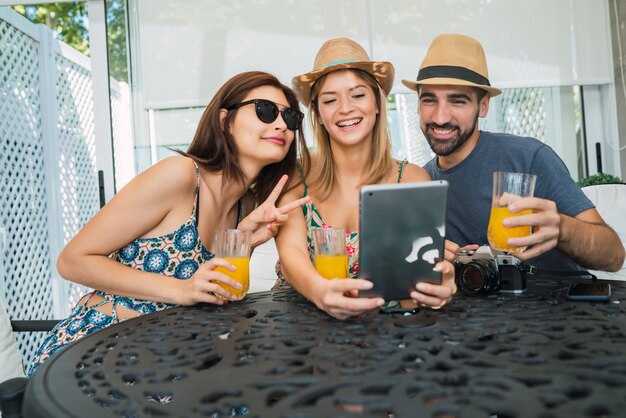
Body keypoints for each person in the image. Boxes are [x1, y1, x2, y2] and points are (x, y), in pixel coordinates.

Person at [27, 71, 311, 376]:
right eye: (264, 110)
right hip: (97, 350)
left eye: (291, 117)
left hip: (170, 354)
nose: (281, 124)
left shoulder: (248, 207)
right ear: (224, 120)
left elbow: (213, 296)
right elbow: (72, 261)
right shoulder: (180, 175)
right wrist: (180, 290)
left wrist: (243, 240)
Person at [402, 34, 626, 272]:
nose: (440, 117)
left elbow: (613, 257)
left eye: (457, 101)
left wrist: (562, 228)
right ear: (418, 105)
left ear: (484, 105)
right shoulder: (421, 183)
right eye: (429, 100)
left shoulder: (528, 157)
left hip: (558, 304)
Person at [273, 38, 456, 320]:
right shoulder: (297, 175)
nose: (345, 108)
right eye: (330, 100)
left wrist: (436, 287)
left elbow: (415, 284)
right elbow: (291, 251)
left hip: (382, 332)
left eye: (358, 95)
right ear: (319, 114)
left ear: (378, 103)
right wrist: (321, 292)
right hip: (298, 326)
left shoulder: (410, 180)